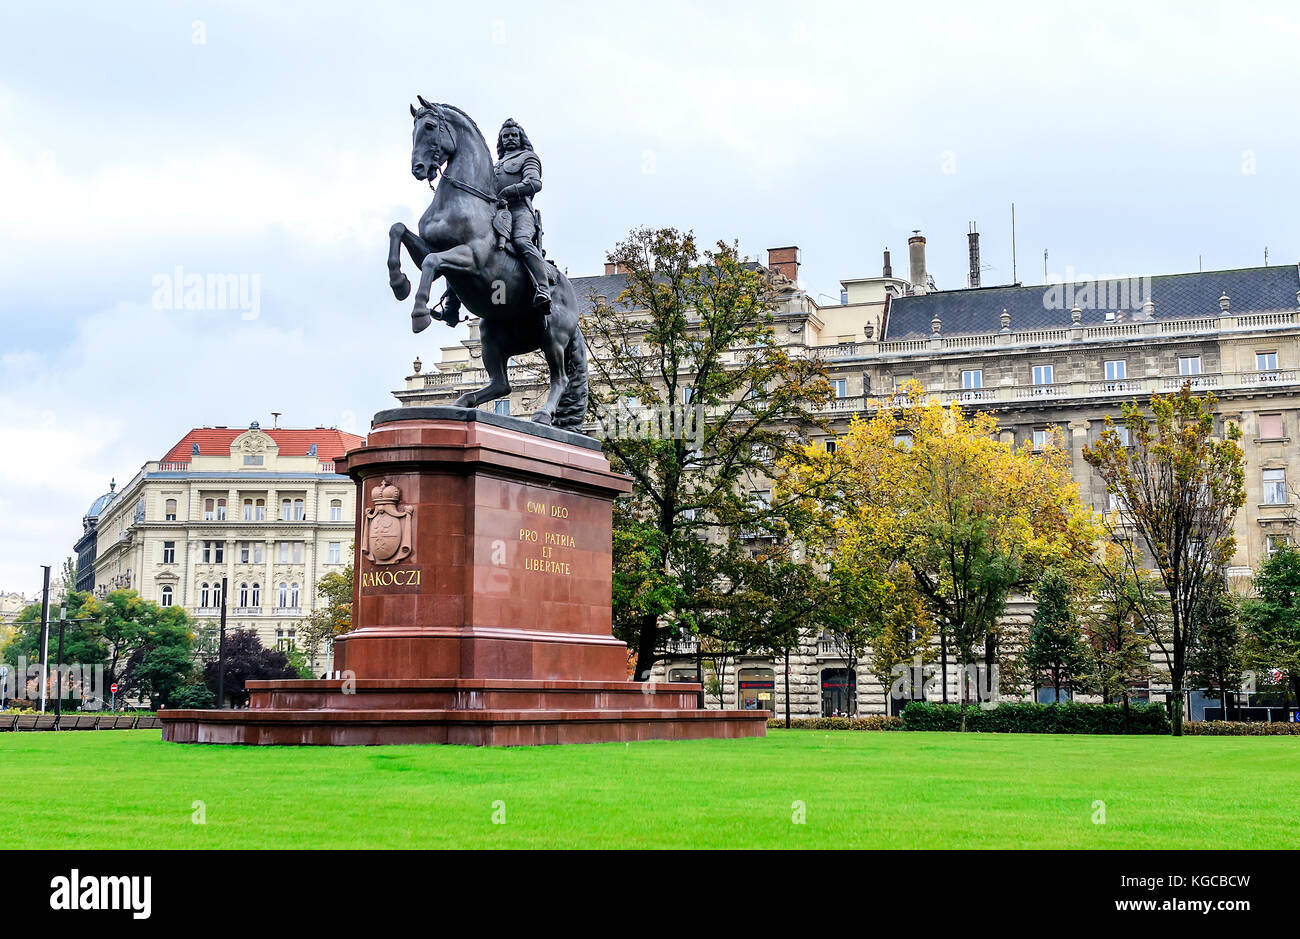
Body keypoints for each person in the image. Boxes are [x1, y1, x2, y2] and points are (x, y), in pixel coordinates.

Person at [493, 118, 551, 315]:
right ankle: (452, 301)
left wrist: (509, 192)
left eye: (513, 135)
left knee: (522, 241)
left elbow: (535, 183)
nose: (509, 139)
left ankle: (543, 288)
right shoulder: (495, 165)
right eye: (505, 136)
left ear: (520, 138)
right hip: (495, 212)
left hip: (519, 210)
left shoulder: (528, 157)